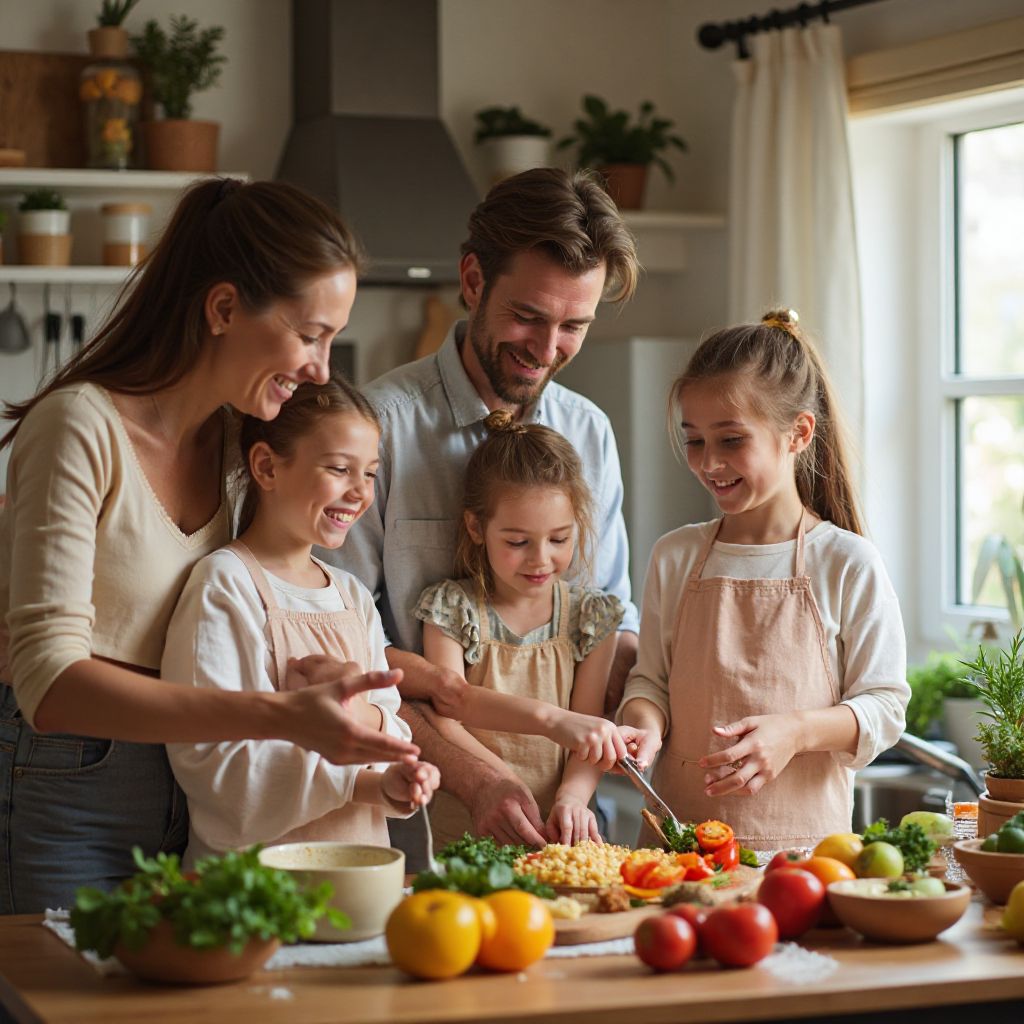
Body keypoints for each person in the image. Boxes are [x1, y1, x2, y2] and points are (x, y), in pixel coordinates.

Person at [0, 178, 418, 914]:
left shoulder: (238, 449)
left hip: (199, 798)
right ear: (224, 308)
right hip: (71, 783)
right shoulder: (80, 428)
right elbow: (49, 685)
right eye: (310, 333)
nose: (322, 367)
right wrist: (280, 715)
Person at [326, 168, 643, 850]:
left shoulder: (589, 434)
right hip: (399, 802)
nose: (545, 348)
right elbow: (339, 648)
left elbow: (610, 617)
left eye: (572, 326)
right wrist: (478, 779)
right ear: (473, 282)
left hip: (564, 816)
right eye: (527, 315)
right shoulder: (378, 428)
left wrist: (647, 701)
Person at [619, 309, 909, 850]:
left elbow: (885, 706)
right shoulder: (675, 555)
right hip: (675, 850)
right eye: (695, 441)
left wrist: (796, 732)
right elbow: (650, 682)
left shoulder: (847, 562)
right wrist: (643, 727)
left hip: (801, 858)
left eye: (731, 440)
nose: (709, 463)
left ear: (798, 433)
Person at [161, 376, 439, 866]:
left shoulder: (352, 595)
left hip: (357, 883)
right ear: (266, 466)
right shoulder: (224, 585)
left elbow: (393, 734)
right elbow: (218, 772)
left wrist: (385, 785)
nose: (359, 493)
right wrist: (361, 769)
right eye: (339, 469)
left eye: (371, 473)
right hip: (249, 891)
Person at [415, 411, 627, 848]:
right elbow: (449, 714)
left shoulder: (591, 617)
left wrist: (572, 798)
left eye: (559, 539)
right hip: (466, 832)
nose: (540, 560)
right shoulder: (453, 609)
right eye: (517, 542)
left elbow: (587, 731)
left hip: (561, 834)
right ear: (477, 527)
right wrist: (506, 786)